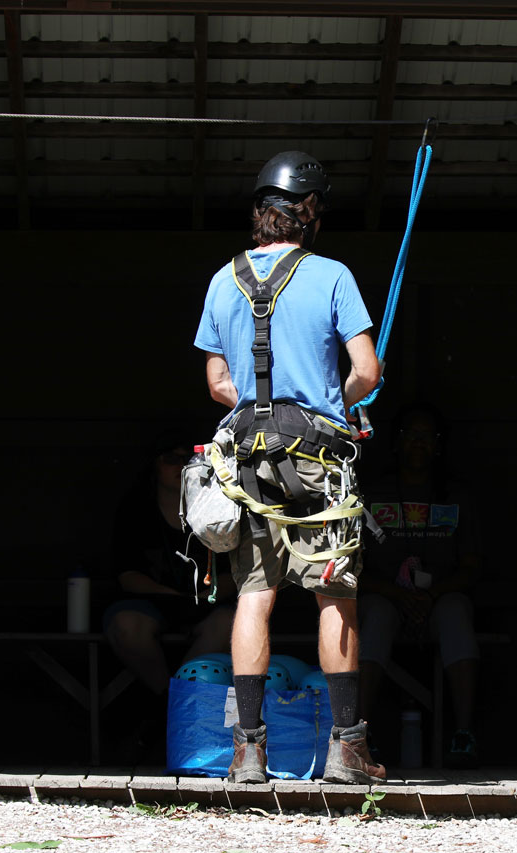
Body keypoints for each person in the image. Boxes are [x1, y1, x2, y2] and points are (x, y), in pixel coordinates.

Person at [193, 150, 385, 784]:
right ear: (309, 216)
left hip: (247, 463)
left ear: (259, 213)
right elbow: (367, 372)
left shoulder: (223, 281)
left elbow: (219, 381)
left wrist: (264, 401)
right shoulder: (332, 276)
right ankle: (347, 749)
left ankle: (248, 753)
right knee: (336, 597)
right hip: (318, 463)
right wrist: (333, 402)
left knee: (254, 598)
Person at [358, 403, 483, 767]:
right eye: (410, 435)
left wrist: (431, 594)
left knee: (456, 610)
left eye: (427, 437)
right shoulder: (371, 492)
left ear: (439, 445)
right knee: (377, 614)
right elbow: (351, 567)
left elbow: (473, 566)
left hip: (438, 600)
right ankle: (358, 734)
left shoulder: (457, 495)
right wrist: (397, 593)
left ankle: (464, 734)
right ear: (395, 442)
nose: (418, 443)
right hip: (385, 598)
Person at [104, 432, 236, 697]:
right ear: (154, 466)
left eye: (186, 458)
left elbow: (234, 575)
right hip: (152, 602)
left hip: (205, 604)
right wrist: (173, 596)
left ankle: (180, 698)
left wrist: (202, 597)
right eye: (169, 459)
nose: (180, 466)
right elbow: (127, 574)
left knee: (232, 622)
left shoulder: (215, 508)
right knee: (126, 624)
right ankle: (166, 698)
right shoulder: (136, 510)